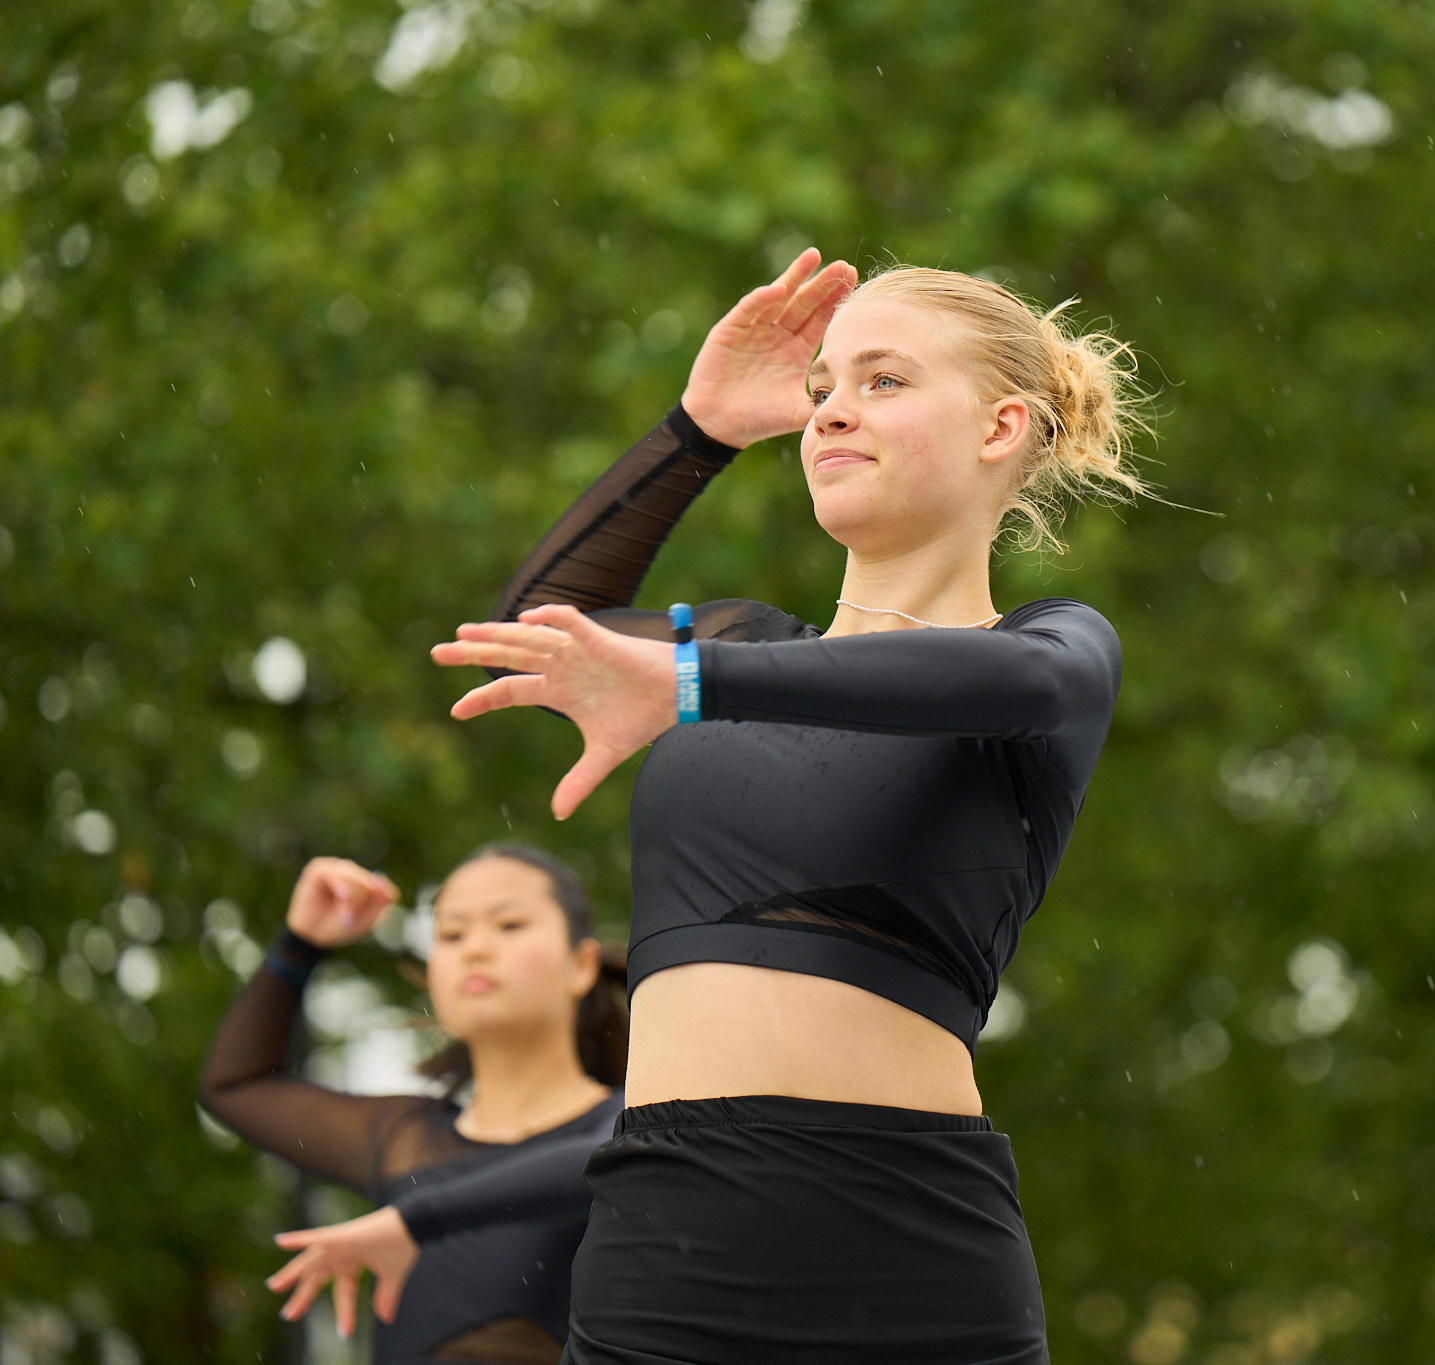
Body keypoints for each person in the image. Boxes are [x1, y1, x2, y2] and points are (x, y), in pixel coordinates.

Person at [429, 250, 1145, 1363]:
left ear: (1001, 427)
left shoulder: (1049, 651)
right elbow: (532, 632)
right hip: (661, 1237)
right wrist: (698, 430)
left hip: (910, 1244)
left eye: (883, 380)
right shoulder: (736, 642)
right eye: (823, 388)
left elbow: (1014, 683)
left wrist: (689, 684)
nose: (832, 413)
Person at [198, 845, 627, 1365]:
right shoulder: (403, 1139)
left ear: (581, 964)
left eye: (509, 925)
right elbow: (236, 1085)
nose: (476, 949)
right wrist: (300, 943)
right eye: (452, 934)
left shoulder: (630, 1123)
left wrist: (413, 1220)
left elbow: (596, 1160)